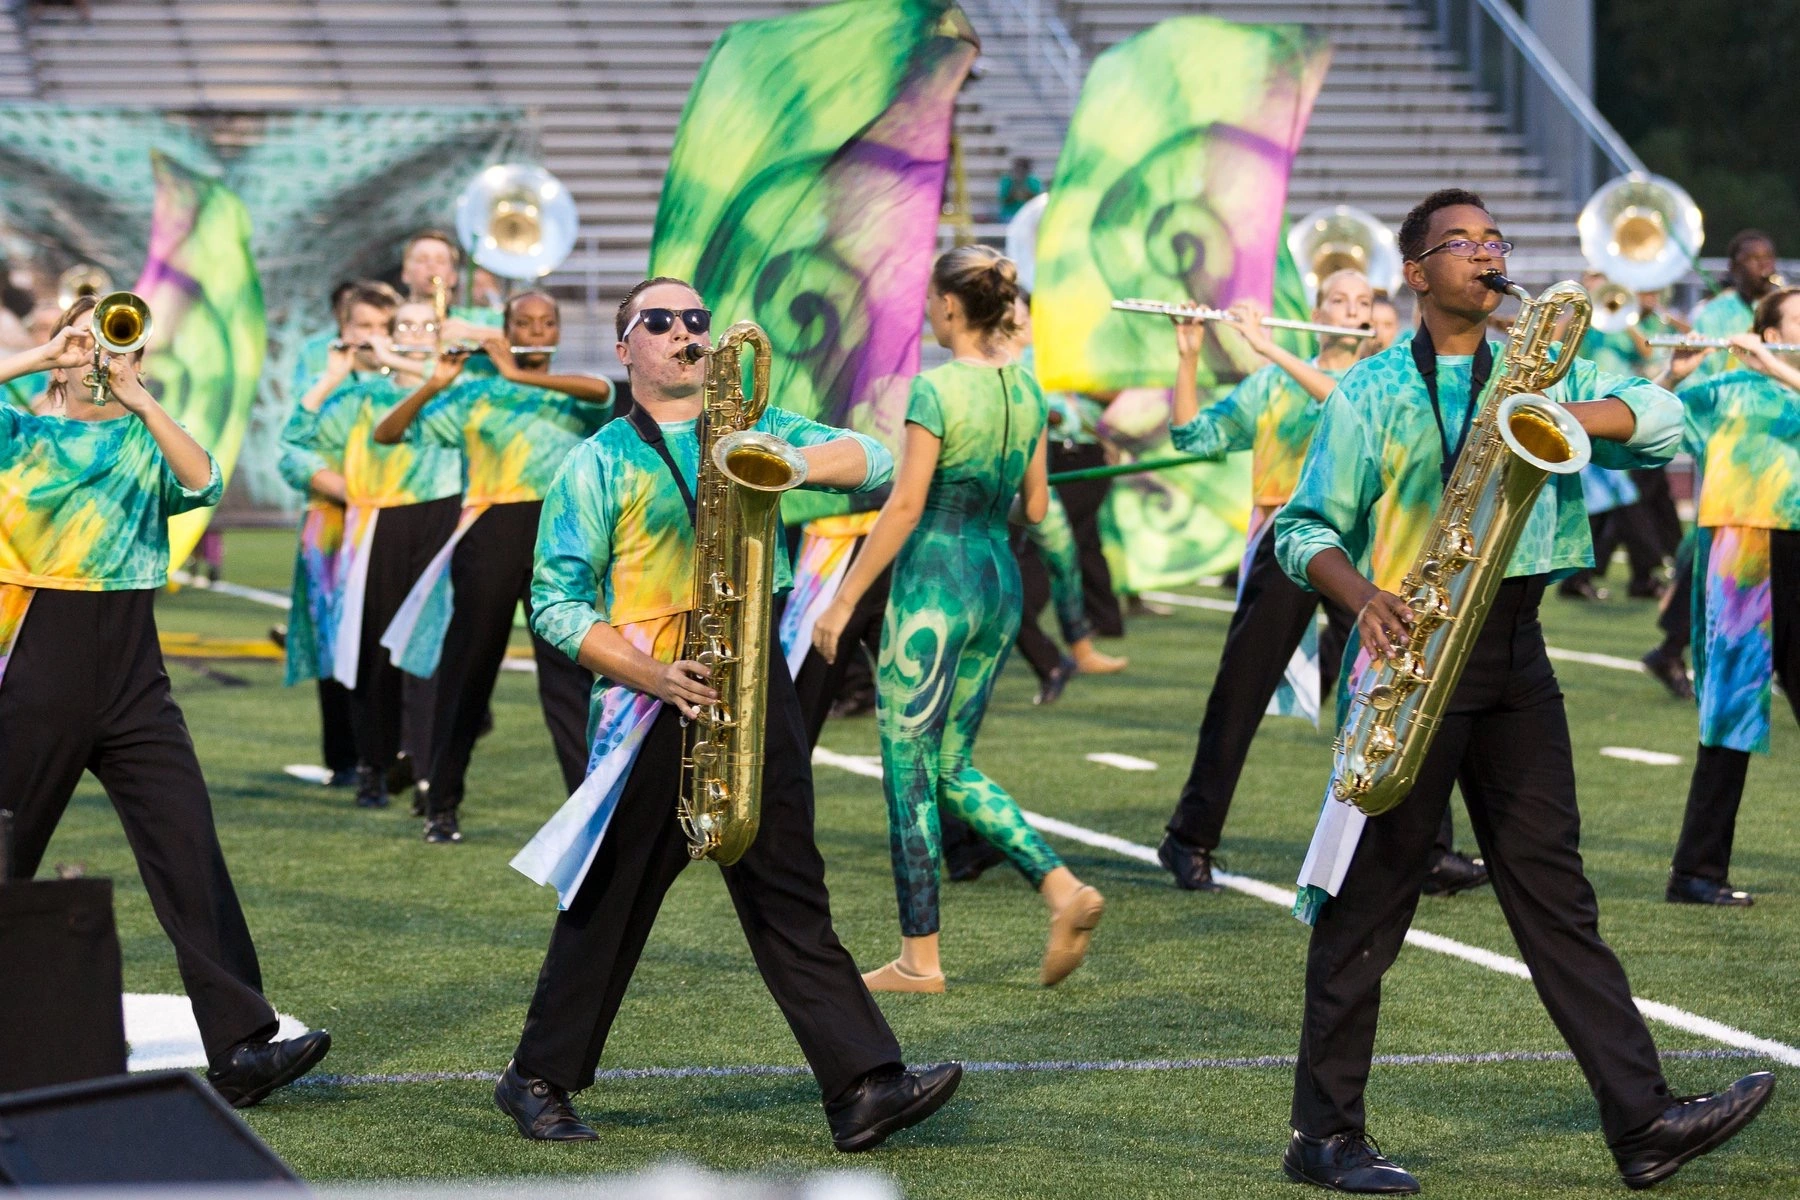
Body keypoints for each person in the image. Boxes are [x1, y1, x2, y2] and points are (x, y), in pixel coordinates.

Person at [1271, 188, 1772, 1193]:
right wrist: (1362, 594)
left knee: (1556, 895)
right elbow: (1302, 528)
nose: (1488, 252)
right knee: (1368, 902)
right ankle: (1322, 1138)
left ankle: (1642, 1124)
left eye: (1496, 238)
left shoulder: (1546, 366)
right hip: (1416, 649)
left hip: (1517, 650)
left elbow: (1665, 423)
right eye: (1462, 243)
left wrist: (1543, 411)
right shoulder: (1372, 391)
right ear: (1417, 274)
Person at [497, 277, 960, 1149]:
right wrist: (649, 672)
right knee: (612, 896)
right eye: (660, 321)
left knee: (789, 886)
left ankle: (864, 1084)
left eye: (696, 320)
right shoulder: (598, 461)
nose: (684, 332)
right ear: (625, 347)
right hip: (653, 696)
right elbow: (554, 604)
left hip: (754, 685)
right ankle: (536, 1078)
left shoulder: (760, 424)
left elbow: (880, 462)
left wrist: (782, 460)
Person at [0, 301, 330, 1107]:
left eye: (116, 341)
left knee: (188, 847)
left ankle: (244, 1047)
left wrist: (141, 396)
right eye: (91, 340)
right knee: (7, 853)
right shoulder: (22, 434)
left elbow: (204, 479)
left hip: (134, 672)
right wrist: (44, 351)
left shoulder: (145, 435)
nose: (100, 356)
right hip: (38, 657)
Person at [813, 246, 1105, 994]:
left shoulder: (936, 390)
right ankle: (1060, 888)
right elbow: (1037, 509)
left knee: (909, 772)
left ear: (949, 306)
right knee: (953, 765)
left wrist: (844, 601)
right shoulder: (1029, 389)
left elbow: (905, 506)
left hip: (935, 583)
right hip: (998, 580)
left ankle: (921, 958)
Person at [371, 291, 610, 843]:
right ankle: (442, 800)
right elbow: (387, 434)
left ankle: (591, 810)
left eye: (546, 321)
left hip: (561, 539)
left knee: (570, 677)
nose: (536, 329)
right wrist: (435, 380)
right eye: (523, 322)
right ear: (504, 328)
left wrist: (518, 375)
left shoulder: (572, 392)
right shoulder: (475, 393)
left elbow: (602, 391)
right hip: (490, 535)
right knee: (469, 671)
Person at [1657, 288, 1800, 907]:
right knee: (1732, 714)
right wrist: (1674, 372)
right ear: (1767, 333)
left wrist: (1778, 368)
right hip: (1742, 555)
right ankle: (1696, 871)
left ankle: (1698, 869)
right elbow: (1638, 426)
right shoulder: (1723, 394)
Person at [297, 300, 465, 809]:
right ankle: (372, 764)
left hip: (443, 518)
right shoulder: (362, 397)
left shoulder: (455, 391)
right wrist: (331, 378)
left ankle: (426, 773)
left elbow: (459, 394)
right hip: (379, 522)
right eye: (404, 326)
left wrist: (410, 361)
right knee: (372, 650)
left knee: (432, 651)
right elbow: (297, 436)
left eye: (426, 326)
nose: (415, 333)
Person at [278, 281, 399, 788]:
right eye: (362, 327)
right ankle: (345, 759)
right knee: (333, 640)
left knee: (389, 643)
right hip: (333, 526)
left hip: (396, 523)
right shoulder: (324, 385)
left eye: (382, 328)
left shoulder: (409, 386)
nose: (372, 337)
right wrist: (348, 490)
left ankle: (392, 758)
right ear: (343, 330)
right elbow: (291, 451)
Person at [996, 156, 1043, 223]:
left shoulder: (1034, 181)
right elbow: (1004, 199)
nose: (1020, 170)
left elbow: (1037, 200)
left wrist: (1024, 187)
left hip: (1029, 215)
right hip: (1010, 214)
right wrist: (1015, 185)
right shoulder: (1007, 180)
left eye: (1022, 168)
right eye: (1018, 168)